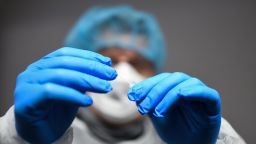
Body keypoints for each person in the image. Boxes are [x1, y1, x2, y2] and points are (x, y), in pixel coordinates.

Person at [0, 6, 246, 144]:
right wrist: (22, 138)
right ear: (76, 65)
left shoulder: (189, 131)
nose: (123, 74)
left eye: (137, 63)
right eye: (109, 60)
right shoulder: (33, 125)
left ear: (156, 71)